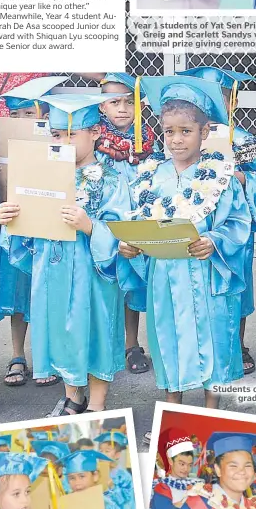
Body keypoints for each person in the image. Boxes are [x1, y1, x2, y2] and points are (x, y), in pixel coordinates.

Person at [0, 93, 143, 416]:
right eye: (57, 135)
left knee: (95, 331)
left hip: (92, 271)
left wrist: (90, 226)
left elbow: (122, 230)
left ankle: (97, 403)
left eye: (71, 135)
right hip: (53, 267)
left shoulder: (111, 179)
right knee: (60, 331)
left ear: (95, 133)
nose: (63, 142)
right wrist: (10, 219)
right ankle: (72, 396)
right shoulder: (41, 175)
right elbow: (25, 233)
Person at [119, 76, 252, 407]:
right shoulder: (148, 178)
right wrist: (131, 247)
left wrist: (214, 240)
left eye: (186, 131)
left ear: (204, 132)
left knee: (213, 340)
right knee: (168, 339)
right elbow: (138, 225)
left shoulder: (221, 176)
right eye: (169, 132)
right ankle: (173, 410)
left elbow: (238, 223)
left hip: (206, 273)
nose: (176, 140)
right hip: (166, 276)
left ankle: (210, 414)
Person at [177, 67, 256, 375]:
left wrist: (244, 178)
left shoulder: (245, 140)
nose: (216, 104)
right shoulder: (186, 134)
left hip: (234, 223)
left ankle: (238, 344)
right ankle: (195, 345)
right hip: (192, 221)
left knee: (235, 285)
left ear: (232, 101)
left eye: (222, 98)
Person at [0, 76, 65, 390]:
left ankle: (50, 356)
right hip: (20, 226)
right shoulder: (1, 148)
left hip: (52, 229)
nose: (23, 121)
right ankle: (18, 355)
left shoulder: (61, 144)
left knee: (50, 294)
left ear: (45, 115)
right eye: (17, 115)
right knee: (20, 292)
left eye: (29, 114)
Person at [96, 72, 158, 377]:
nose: (122, 108)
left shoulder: (147, 139)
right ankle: (104, 342)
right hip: (104, 223)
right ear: (102, 106)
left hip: (137, 218)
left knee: (133, 282)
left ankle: (132, 344)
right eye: (114, 102)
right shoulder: (94, 141)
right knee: (105, 283)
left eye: (128, 102)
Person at [149, 427, 199, 509]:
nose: (186, 469)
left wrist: (178, 505)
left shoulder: (194, 486)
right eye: (182, 464)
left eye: (189, 464)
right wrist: (186, 503)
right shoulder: (161, 488)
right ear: (171, 461)